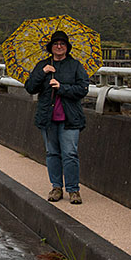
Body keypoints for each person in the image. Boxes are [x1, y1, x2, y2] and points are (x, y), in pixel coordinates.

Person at [24, 30, 89, 204]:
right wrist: (42, 72)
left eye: (62, 44)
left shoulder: (75, 65)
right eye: (55, 44)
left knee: (70, 154)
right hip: (48, 118)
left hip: (70, 119)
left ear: (67, 47)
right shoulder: (43, 65)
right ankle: (56, 187)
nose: (59, 46)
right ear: (51, 47)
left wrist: (61, 87)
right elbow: (30, 87)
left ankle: (73, 190)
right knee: (52, 153)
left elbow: (83, 89)